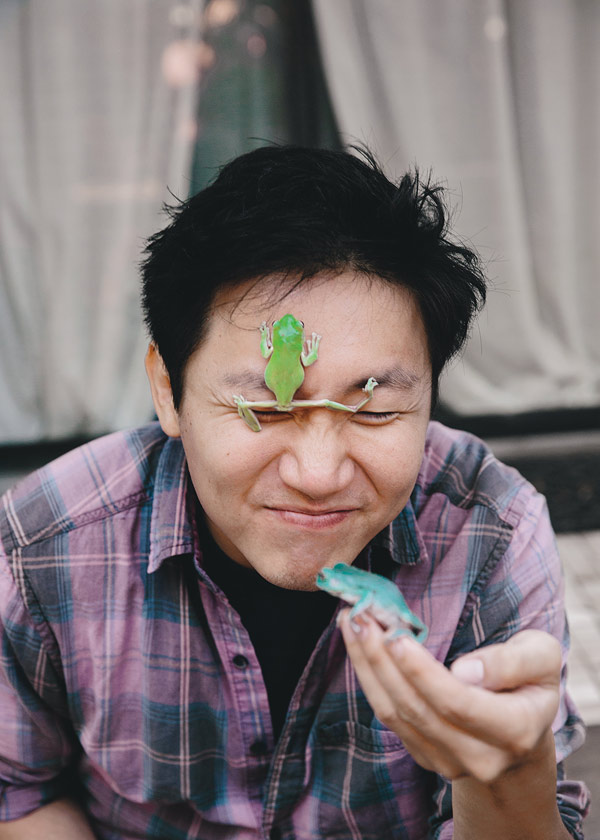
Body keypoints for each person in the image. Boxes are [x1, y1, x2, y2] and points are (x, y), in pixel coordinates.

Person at [0, 145, 590, 840]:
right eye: (266, 408)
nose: (317, 474)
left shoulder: (493, 532)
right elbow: (18, 791)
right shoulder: (45, 541)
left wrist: (510, 773)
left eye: (373, 411)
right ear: (167, 389)